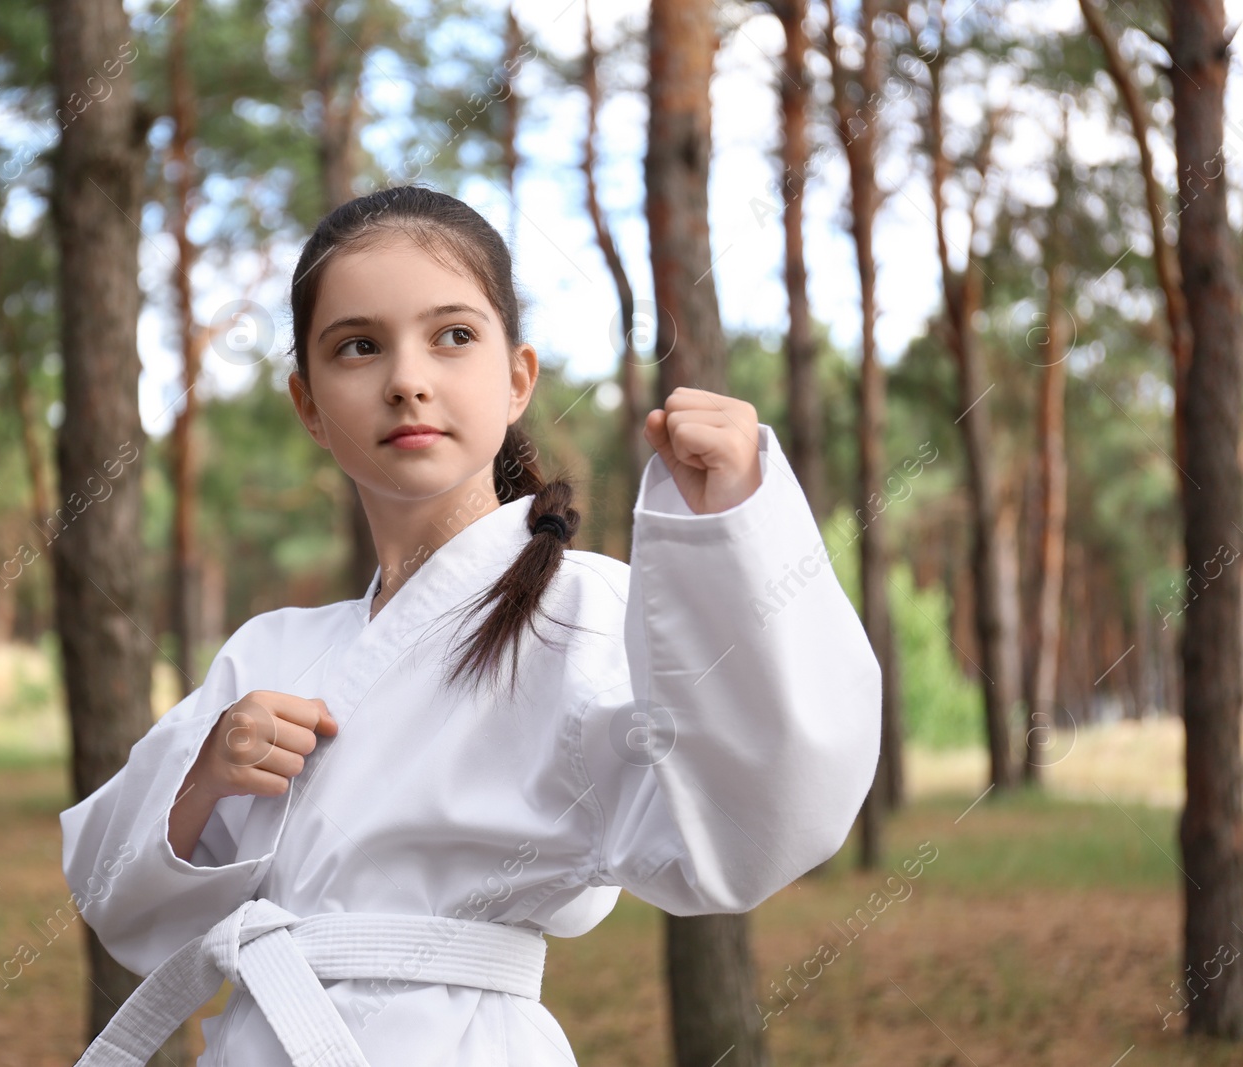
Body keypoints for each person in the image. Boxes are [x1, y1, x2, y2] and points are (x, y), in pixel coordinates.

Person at [60, 184, 882, 1067]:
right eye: (359, 346)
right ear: (308, 405)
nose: (407, 378)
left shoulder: (586, 613)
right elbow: (116, 900)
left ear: (517, 377)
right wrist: (204, 779)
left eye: (453, 335)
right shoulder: (270, 653)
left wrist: (735, 531)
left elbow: (753, 816)